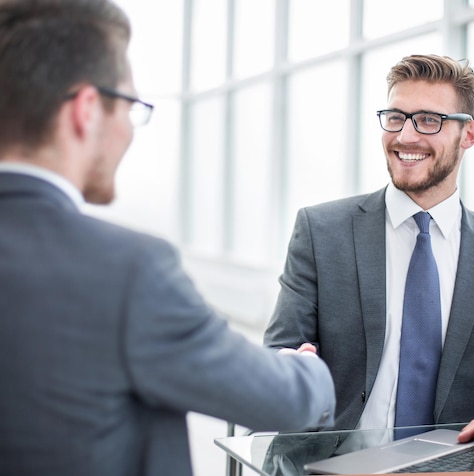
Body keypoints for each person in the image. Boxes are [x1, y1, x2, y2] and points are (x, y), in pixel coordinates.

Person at [0, 1, 335, 475]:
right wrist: (307, 368)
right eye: (131, 107)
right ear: (87, 109)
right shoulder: (126, 271)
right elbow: (281, 399)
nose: (129, 133)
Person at [264, 54, 474, 446]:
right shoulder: (321, 232)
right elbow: (281, 352)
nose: (406, 136)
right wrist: (286, 369)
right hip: (332, 466)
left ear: (469, 135)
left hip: (452, 467)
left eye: (429, 120)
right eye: (395, 117)